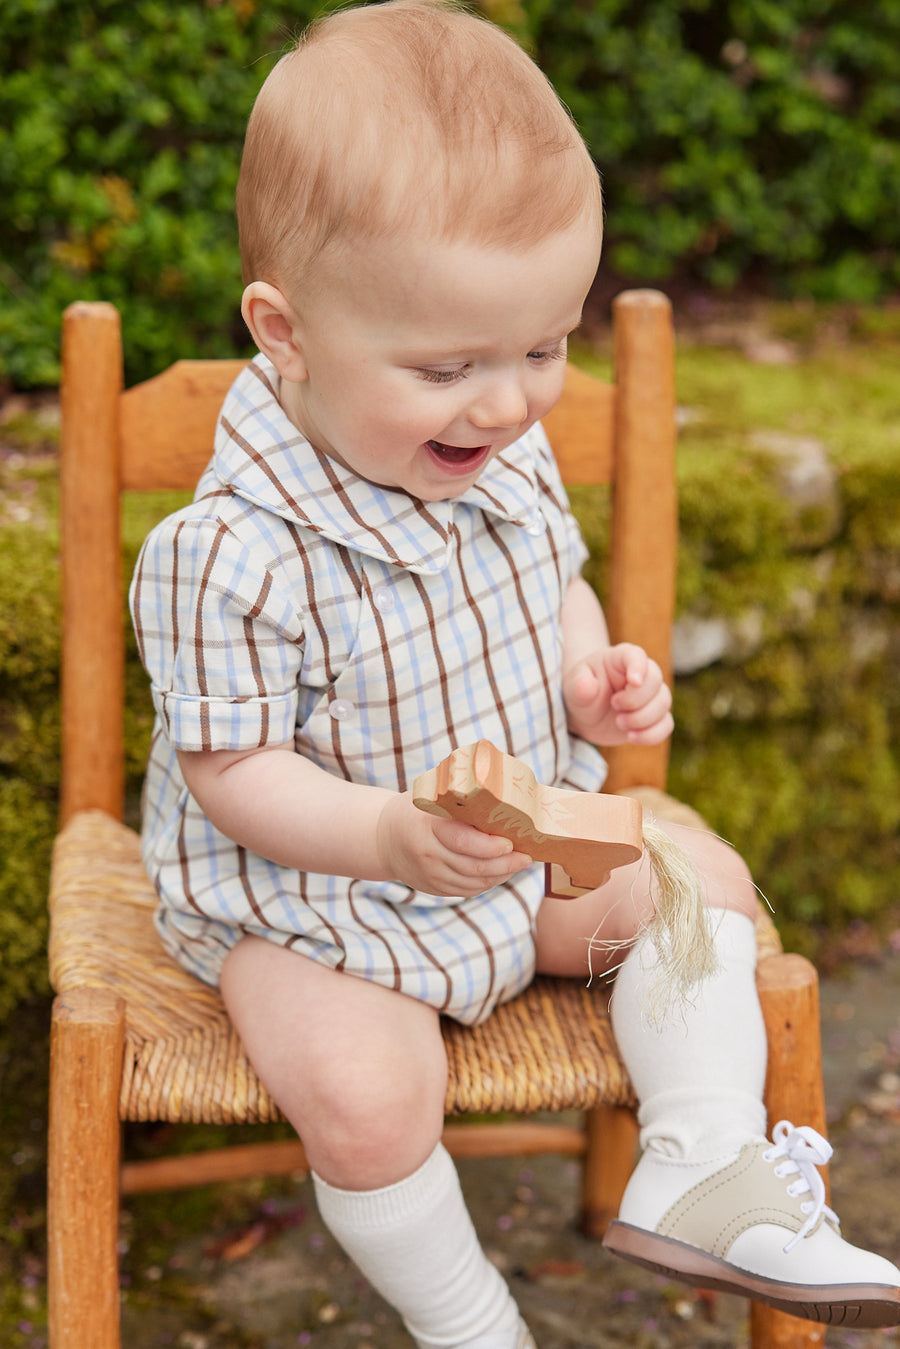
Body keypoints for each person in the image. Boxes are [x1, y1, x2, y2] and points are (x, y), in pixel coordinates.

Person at [130, 2, 900, 1344]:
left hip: (513, 842)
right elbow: (233, 772)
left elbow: (546, 580)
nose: (508, 403)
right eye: (451, 367)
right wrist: (385, 835)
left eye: (545, 348)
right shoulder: (227, 552)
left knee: (697, 888)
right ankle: (470, 1319)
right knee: (371, 1095)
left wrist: (586, 666)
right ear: (286, 330)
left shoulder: (502, 450)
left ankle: (703, 1163)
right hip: (311, 901)